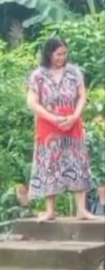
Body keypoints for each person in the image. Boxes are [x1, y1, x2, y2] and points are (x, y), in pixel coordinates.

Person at [25, 36, 99, 221]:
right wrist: (52, 118)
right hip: (48, 126)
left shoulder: (74, 73)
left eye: (64, 54)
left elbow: (82, 96)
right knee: (49, 164)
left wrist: (74, 116)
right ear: (49, 54)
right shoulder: (38, 76)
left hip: (72, 124)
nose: (62, 57)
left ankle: (81, 210)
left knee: (77, 162)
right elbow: (32, 102)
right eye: (58, 54)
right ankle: (50, 210)